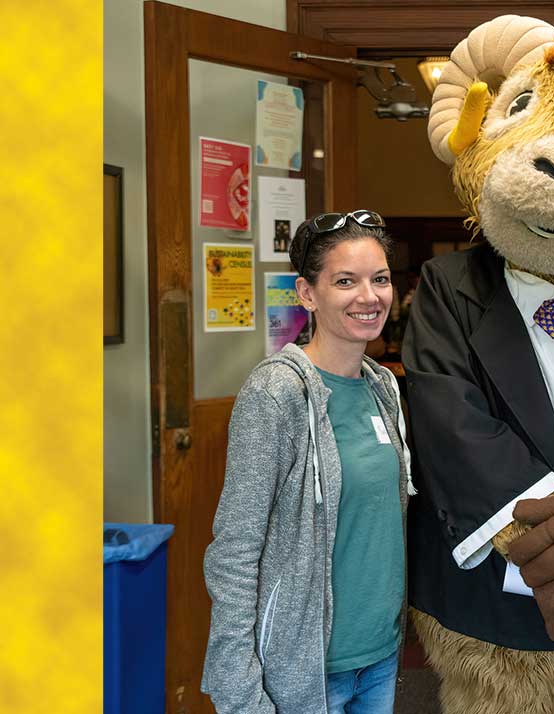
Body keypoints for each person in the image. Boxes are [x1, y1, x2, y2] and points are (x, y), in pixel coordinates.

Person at [201, 210, 414, 714]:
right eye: (346, 281)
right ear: (307, 293)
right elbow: (234, 551)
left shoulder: (383, 386)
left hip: (380, 657)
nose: (370, 296)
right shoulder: (276, 393)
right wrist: (238, 689)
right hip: (306, 668)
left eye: (380, 279)